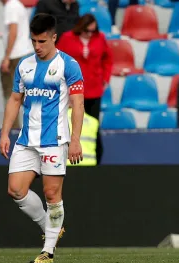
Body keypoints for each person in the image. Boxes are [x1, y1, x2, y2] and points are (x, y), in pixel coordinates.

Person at [0, 13, 85, 263]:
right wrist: (5, 133)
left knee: (51, 194)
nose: (37, 46)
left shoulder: (68, 65)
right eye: (34, 41)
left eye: (42, 41)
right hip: (26, 139)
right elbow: (15, 100)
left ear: (54, 37)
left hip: (54, 139)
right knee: (15, 190)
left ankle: (47, 251)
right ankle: (52, 227)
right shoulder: (24, 65)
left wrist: (75, 139)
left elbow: (78, 104)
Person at [57, 14, 112, 165]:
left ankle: (94, 162)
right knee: (68, 128)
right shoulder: (67, 38)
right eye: (87, 30)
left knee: (93, 128)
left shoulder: (100, 38)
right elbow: (57, 60)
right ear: (80, 28)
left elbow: (108, 58)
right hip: (72, 93)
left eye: (92, 31)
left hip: (93, 91)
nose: (90, 34)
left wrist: (105, 79)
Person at [0, 0, 34, 129]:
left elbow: (13, 31)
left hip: (16, 55)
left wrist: (7, 57)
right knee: (28, 95)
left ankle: (13, 131)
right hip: (26, 53)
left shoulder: (11, 6)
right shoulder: (18, 5)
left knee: (11, 95)